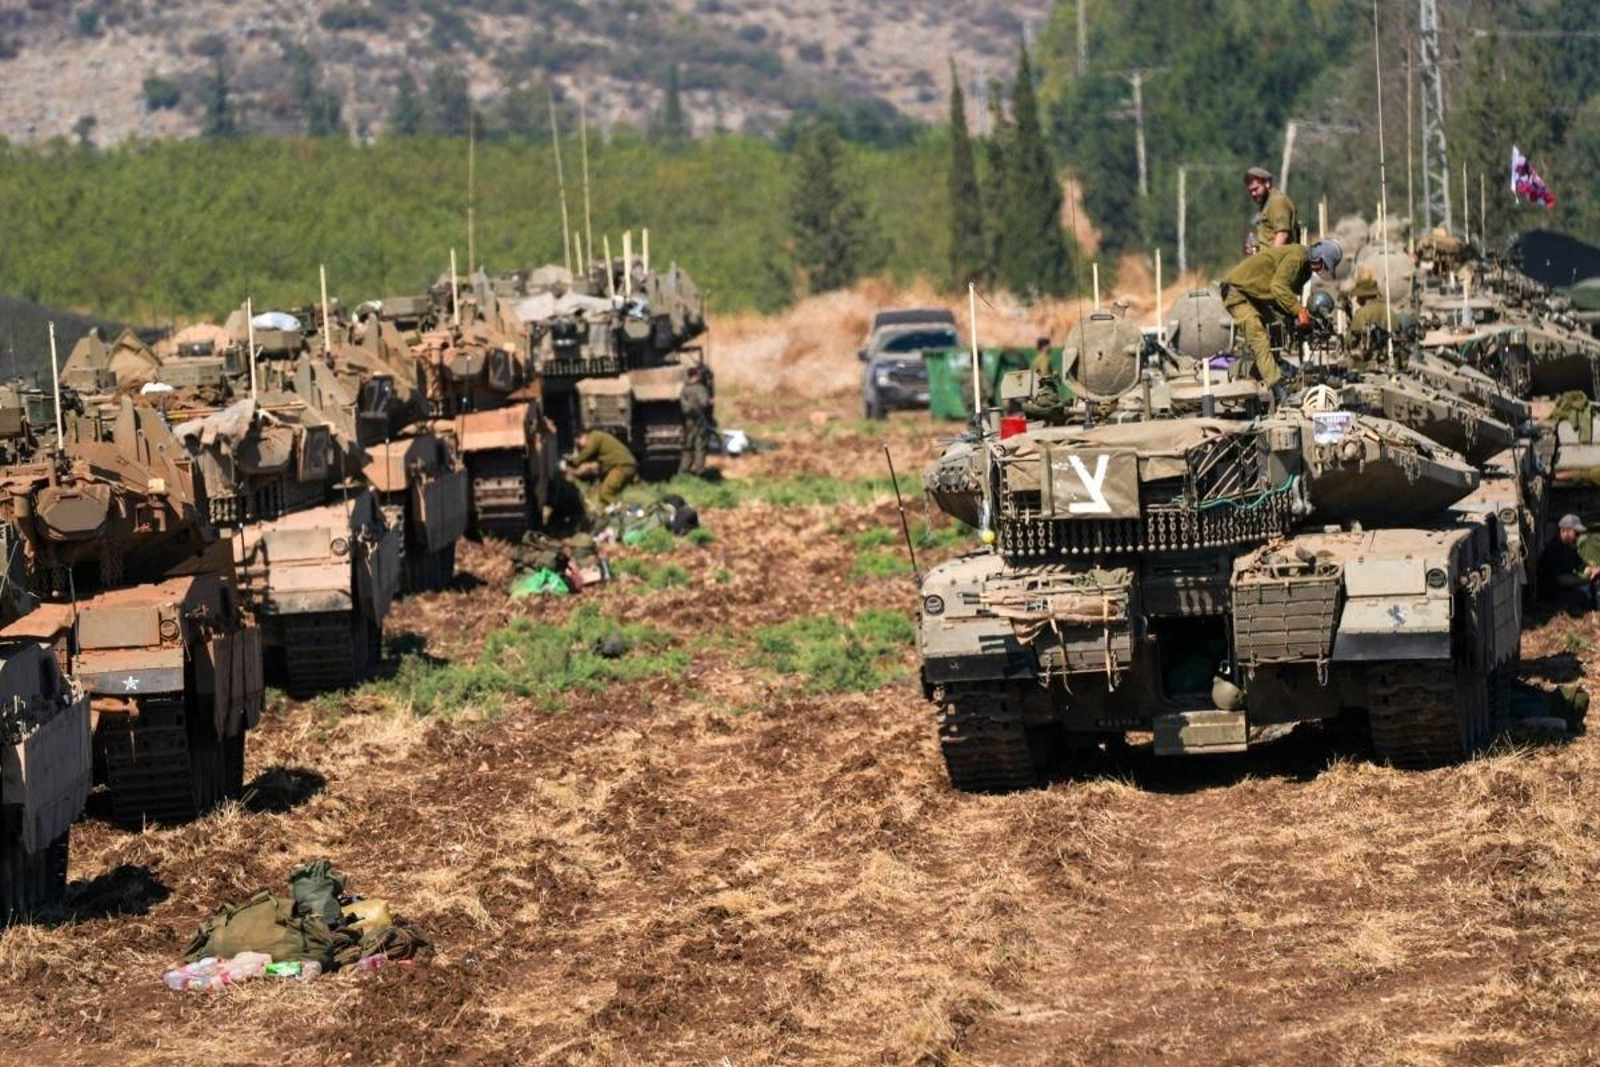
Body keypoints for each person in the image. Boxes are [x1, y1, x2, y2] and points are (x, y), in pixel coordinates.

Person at [1221, 238, 1342, 401]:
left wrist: (1301, 319)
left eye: (1324, 268)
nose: (1321, 270)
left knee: (1275, 337)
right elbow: (1278, 287)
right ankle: (1280, 392)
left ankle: (1256, 374)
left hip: (1256, 295)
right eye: (1322, 265)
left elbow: (1283, 297)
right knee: (1259, 339)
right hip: (1237, 291)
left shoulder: (1305, 270)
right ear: (1317, 256)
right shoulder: (1297, 257)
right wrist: (1299, 311)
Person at [1538, 513, 1600, 608]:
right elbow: (1561, 580)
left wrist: (1591, 570)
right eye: (1576, 533)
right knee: (1585, 591)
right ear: (1564, 531)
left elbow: (1581, 565)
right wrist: (1584, 580)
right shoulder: (1554, 549)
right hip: (1554, 594)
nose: (1577, 537)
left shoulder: (1569, 548)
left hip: (1567, 590)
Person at [568, 427, 638, 506]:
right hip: (625, 466)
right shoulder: (598, 442)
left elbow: (587, 452)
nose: (580, 447)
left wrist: (573, 462)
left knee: (605, 493)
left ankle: (626, 509)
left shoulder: (595, 436)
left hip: (623, 466)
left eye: (578, 443)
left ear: (583, 436)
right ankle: (624, 510)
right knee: (608, 495)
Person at [1245, 166, 1298, 248]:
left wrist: (1271, 255)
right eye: (1250, 191)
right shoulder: (1266, 204)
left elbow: (1282, 234)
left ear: (1267, 183)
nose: (1253, 194)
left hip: (1280, 255)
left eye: (1256, 189)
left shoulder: (1278, 202)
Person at [678, 365, 713, 477]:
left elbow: (684, 406)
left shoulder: (685, 389)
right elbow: (704, 403)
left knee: (688, 446)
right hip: (700, 420)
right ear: (696, 376)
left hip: (689, 421)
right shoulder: (701, 388)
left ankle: (683, 471)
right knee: (700, 445)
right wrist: (710, 401)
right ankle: (699, 470)